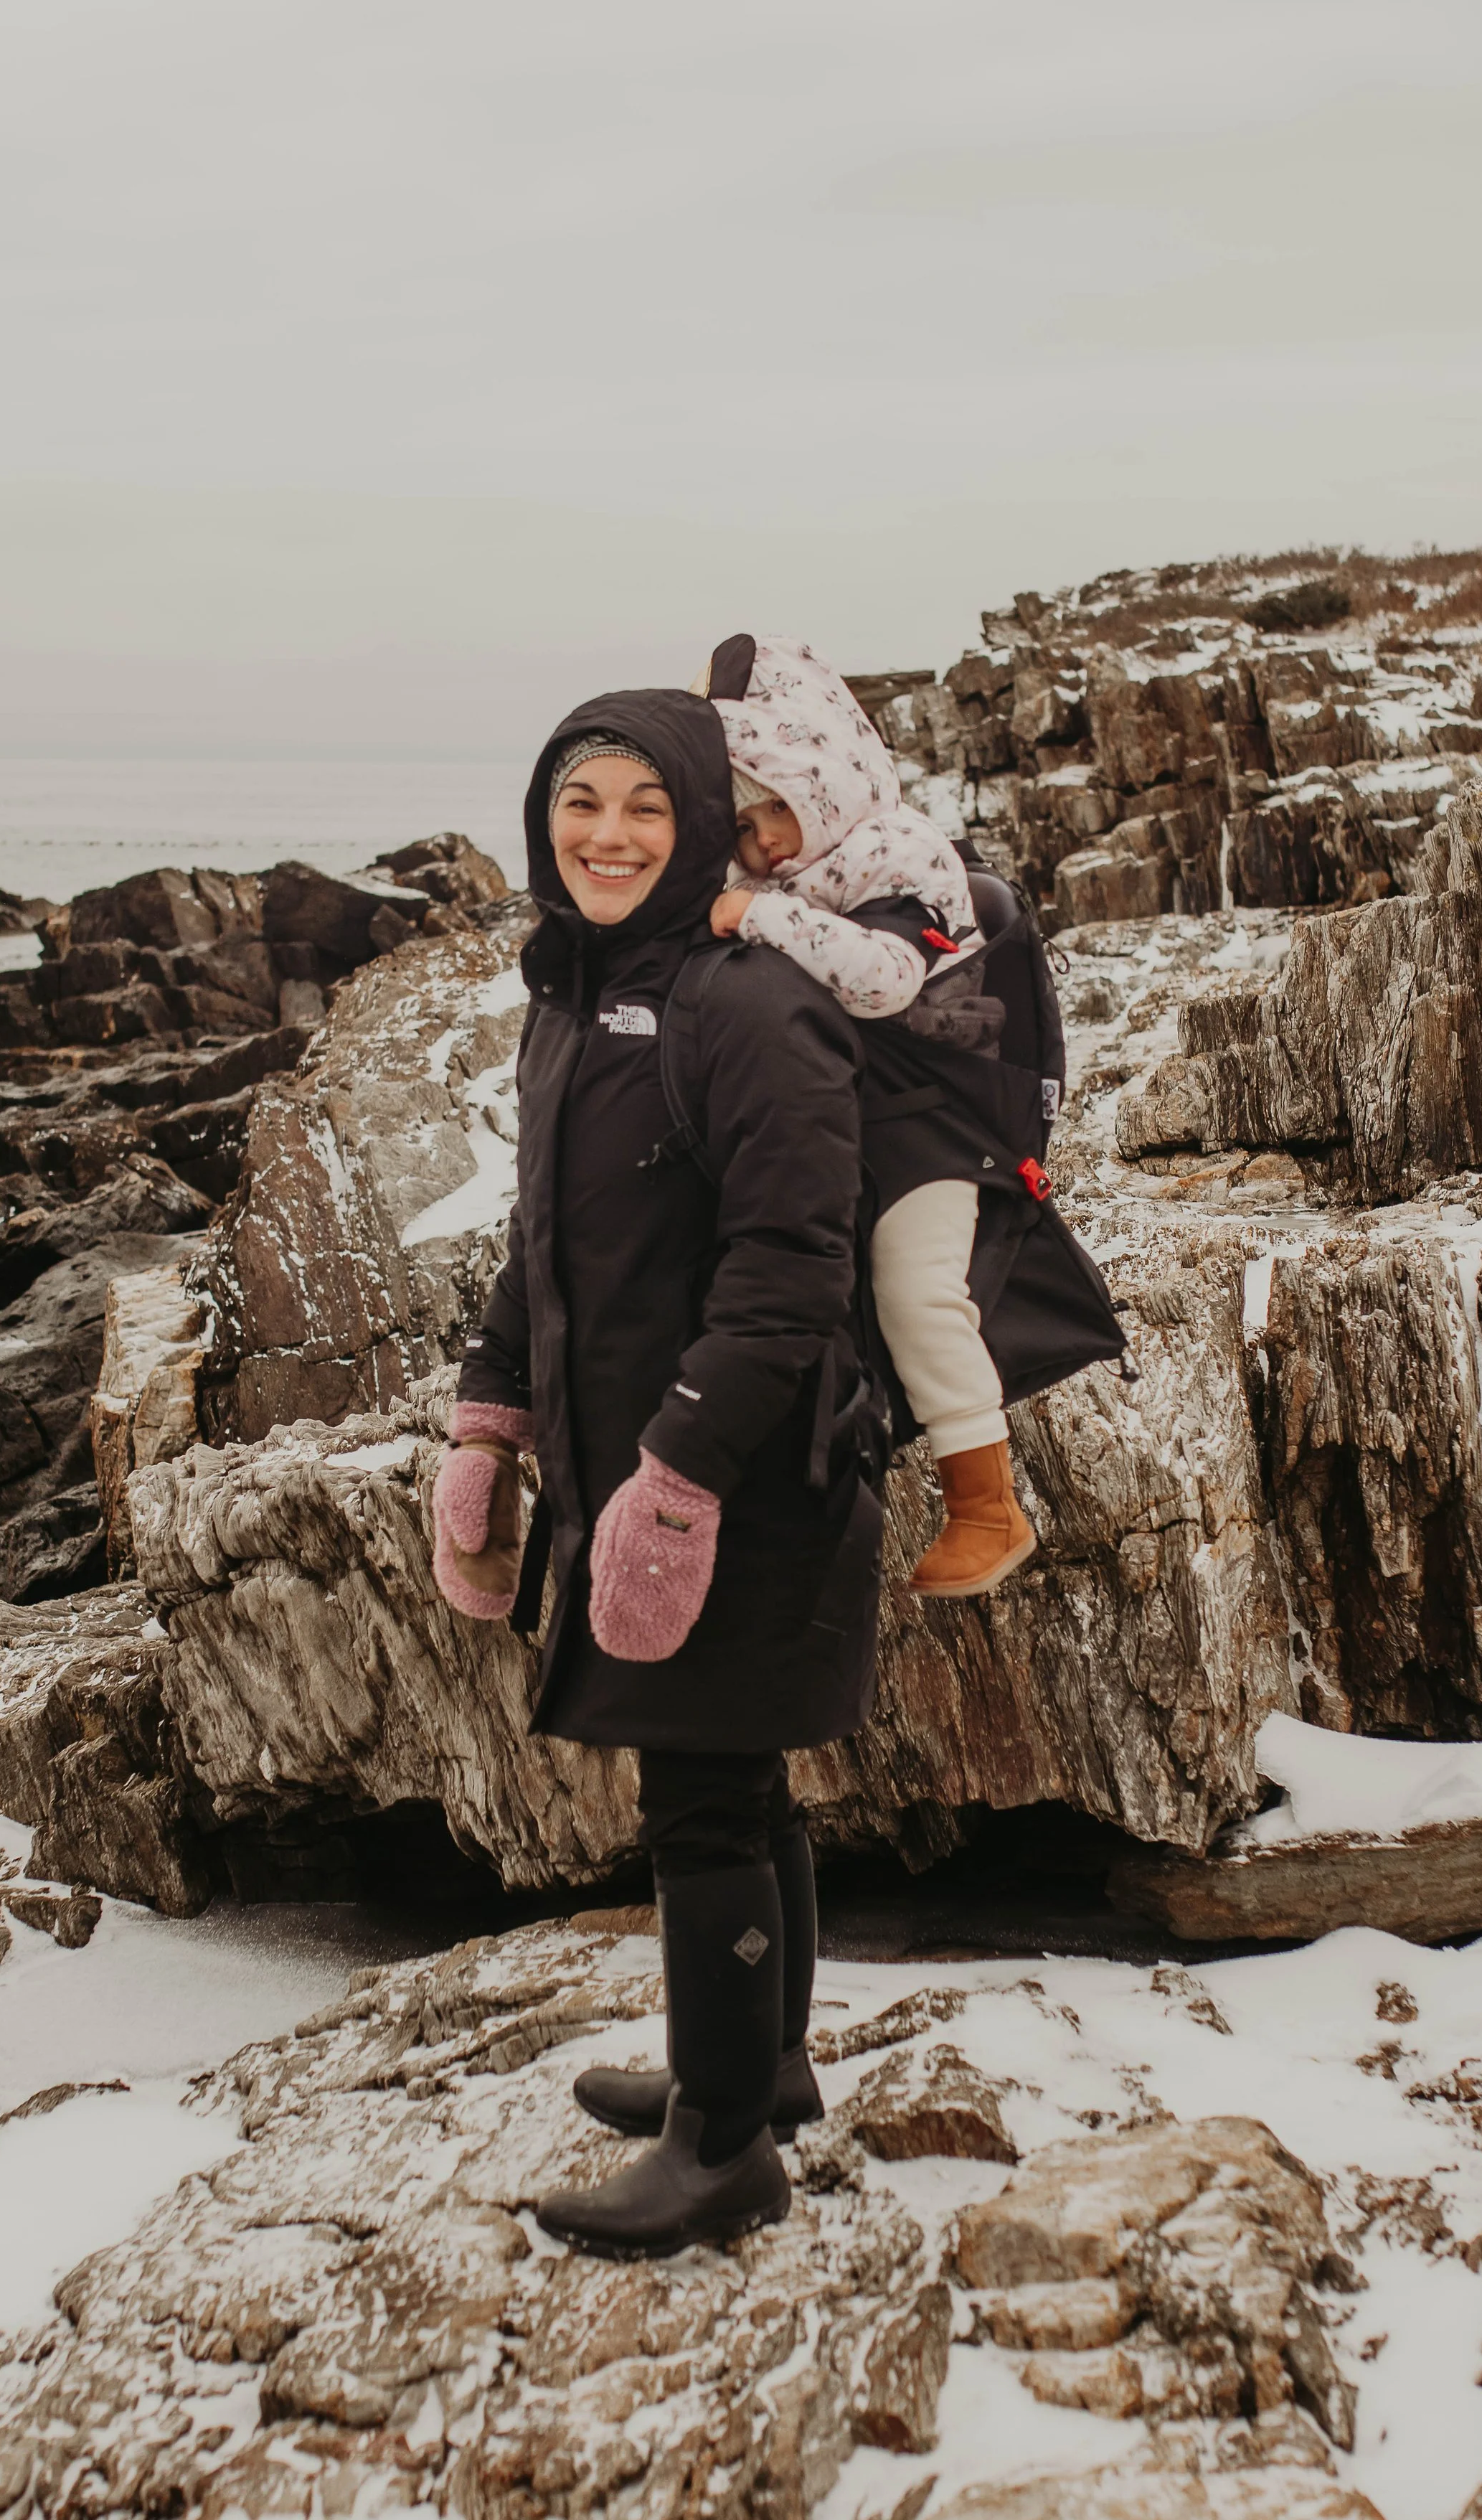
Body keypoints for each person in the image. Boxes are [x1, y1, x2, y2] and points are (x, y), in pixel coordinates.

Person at [431, 688, 884, 2262]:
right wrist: (490, 1416)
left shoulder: (749, 1008)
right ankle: (763, 2062)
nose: (606, 833)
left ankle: (720, 2148)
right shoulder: (572, 992)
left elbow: (790, 1276)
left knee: (702, 1796)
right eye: (579, 800)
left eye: (642, 803)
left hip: (747, 1471)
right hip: (626, 1461)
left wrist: (677, 1475)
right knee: (735, 1781)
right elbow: (540, 1238)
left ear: (698, 816)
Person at [703, 636, 1034, 1597]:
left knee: (917, 1288)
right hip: (853, 1124)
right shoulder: (790, 876)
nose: (758, 844)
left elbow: (887, 979)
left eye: (770, 812)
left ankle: (987, 1503)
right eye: (739, 829)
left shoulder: (897, 852)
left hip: (934, 1121)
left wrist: (755, 917)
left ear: (820, 780)